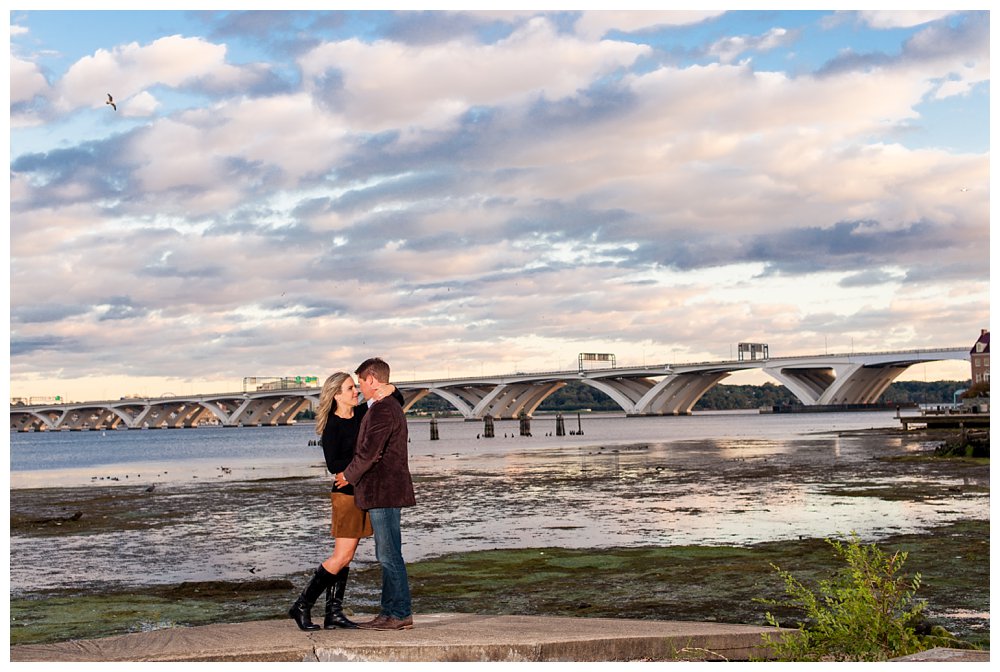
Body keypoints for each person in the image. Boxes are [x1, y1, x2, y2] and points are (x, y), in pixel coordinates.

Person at [288, 371, 401, 631]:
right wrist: (356, 469)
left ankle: (333, 613)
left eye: (355, 387)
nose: (356, 392)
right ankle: (302, 605)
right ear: (337, 394)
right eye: (350, 388)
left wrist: (391, 386)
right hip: (345, 497)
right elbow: (333, 465)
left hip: (361, 493)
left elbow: (397, 398)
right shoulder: (332, 426)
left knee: (346, 557)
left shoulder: (363, 413)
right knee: (341, 556)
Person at [335, 357, 416, 631]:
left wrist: (347, 476)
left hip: (384, 491)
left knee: (389, 554)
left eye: (360, 382)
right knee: (388, 553)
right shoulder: (382, 406)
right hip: (385, 492)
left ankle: (399, 613)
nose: (359, 388)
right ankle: (389, 612)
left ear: (371, 379)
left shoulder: (383, 409)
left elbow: (370, 452)